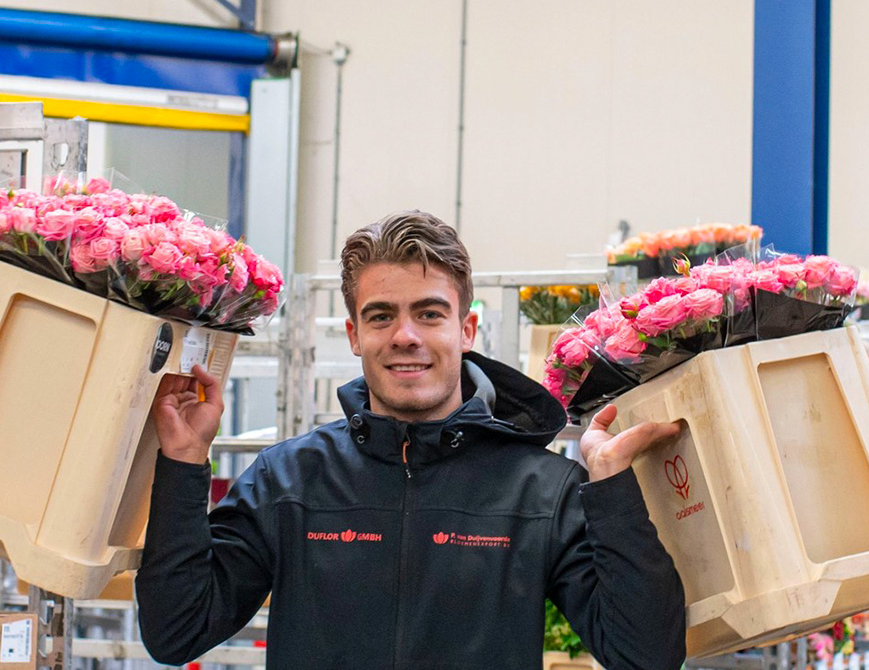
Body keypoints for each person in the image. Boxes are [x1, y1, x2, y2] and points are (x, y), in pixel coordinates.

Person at [137, 210, 686, 669]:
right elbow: (176, 633)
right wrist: (184, 461)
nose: (405, 336)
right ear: (354, 334)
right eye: (381, 316)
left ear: (466, 330)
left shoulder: (542, 491)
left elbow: (647, 656)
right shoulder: (288, 480)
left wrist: (612, 490)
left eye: (429, 314)